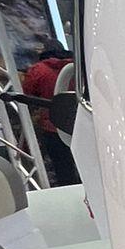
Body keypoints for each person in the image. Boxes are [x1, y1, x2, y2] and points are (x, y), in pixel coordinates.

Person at [20, 42, 76, 185]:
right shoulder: (76, 66)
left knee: (62, 166)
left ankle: (69, 191)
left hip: (53, 125)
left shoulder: (39, 69)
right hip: (80, 121)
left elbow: (26, 94)